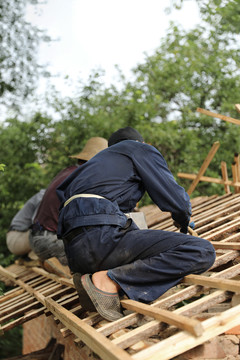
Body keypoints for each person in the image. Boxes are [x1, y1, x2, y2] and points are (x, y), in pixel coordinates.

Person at [56, 127, 216, 321]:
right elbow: (177, 201)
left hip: (75, 253)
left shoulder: (87, 171)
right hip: (102, 236)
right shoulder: (137, 149)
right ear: (141, 143)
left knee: (135, 242)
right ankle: (107, 280)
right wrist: (183, 220)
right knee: (201, 250)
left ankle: (96, 276)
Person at [30, 137, 108, 265]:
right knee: (101, 251)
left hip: (38, 237)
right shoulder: (82, 179)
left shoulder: (69, 171)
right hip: (48, 240)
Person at [6, 189, 45, 256]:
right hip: (16, 238)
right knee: (52, 234)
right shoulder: (44, 197)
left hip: (21, 235)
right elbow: (36, 223)